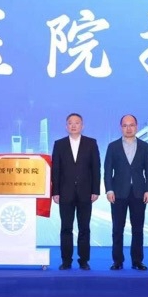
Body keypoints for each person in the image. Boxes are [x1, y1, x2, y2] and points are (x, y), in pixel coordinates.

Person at [103, 114, 148, 271]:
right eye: (125, 125)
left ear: (136, 126)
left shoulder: (144, 146)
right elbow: (107, 170)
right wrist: (109, 189)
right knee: (117, 228)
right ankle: (117, 261)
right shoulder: (113, 146)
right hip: (118, 193)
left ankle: (137, 261)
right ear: (121, 127)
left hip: (139, 193)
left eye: (131, 125)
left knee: (138, 229)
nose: (128, 128)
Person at [51, 113, 101, 270]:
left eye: (77, 123)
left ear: (82, 126)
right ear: (66, 126)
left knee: (84, 228)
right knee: (66, 228)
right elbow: (56, 170)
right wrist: (55, 191)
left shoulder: (91, 143)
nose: (73, 125)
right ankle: (66, 260)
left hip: (86, 192)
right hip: (65, 193)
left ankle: (83, 260)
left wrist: (95, 190)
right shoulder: (59, 144)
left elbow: (96, 168)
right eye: (70, 123)